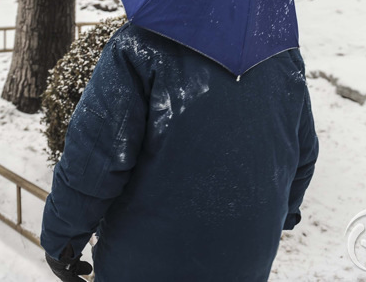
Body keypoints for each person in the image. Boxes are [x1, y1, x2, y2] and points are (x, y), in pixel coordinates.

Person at [41, 22, 319, 282]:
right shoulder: (281, 55)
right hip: (247, 262)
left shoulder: (141, 44)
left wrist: (62, 243)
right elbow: (302, 157)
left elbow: (94, 164)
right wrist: (273, 218)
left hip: (143, 263)